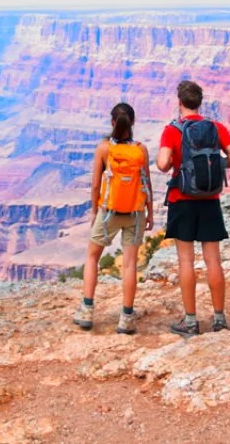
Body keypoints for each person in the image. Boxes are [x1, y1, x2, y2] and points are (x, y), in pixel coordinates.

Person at [156, 79, 230, 336]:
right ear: (200, 102)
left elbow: (162, 164)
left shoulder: (172, 130)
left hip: (182, 199)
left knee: (186, 260)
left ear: (179, 103)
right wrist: (217, 165)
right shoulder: (216, 127)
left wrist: (176, 161)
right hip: (210, 201)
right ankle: (219, 319)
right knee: (213, 259)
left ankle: (191, 321)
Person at [74, 102, 153, 334]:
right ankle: (126, 318)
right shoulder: (141, 149)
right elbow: (146, 182)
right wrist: (150, 212)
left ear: (112, 122)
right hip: (135, 213)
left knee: (92, 257)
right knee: (129, 265)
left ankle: (87, 311)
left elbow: (96, 184)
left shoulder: (104, 148)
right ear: (133, 122)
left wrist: (94, 211)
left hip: (108, 212)